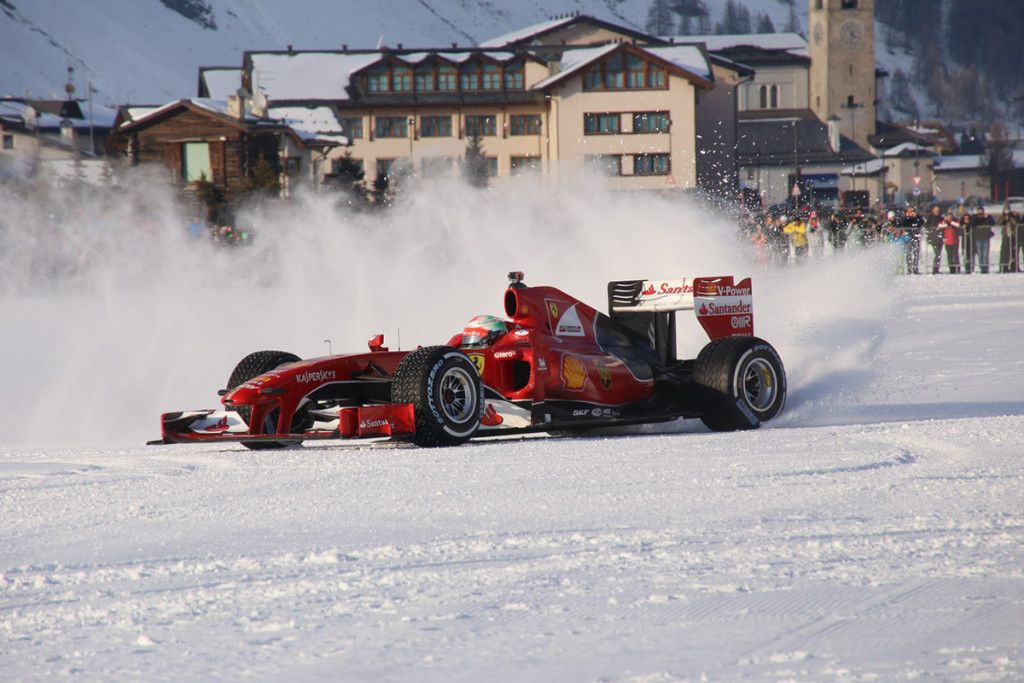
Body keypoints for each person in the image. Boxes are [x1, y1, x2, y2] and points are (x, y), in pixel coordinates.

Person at [900, 205, 925, 274]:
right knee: (908, 253)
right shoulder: (905, 218)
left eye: (912, 211)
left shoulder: (917, 218)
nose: (911, 212)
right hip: (908, 237)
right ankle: (909, 269)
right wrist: (907, 216)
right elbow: (901, 223)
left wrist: (916, 216)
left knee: (916, 253)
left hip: (916, 237)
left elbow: (921, 223)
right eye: (909, 211)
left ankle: (915, 268)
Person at [971, 206, 995, 274]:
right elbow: (973, 223)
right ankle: (982, 267)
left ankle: (985, 268)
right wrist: (980, 218)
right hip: (978, 238)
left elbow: (992, 223)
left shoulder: (987, 217)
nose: (980, 214)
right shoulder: (975, 217)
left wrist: (988, 217)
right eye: (979, 212)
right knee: (980, 254)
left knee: (985, 254)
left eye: (981, 212)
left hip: (986, 237)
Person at [924, 205, 944, 274]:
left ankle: (937, 268)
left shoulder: (941, 217)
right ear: (933, 210)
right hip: (933, 238)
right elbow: (926, 225)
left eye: (938, 210)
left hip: (940, 238)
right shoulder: (930, 217)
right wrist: (933, 228)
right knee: (937, 254)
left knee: (939, 254)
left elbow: (944, 224)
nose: (937, 211)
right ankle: (934, 269)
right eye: (935, 210)